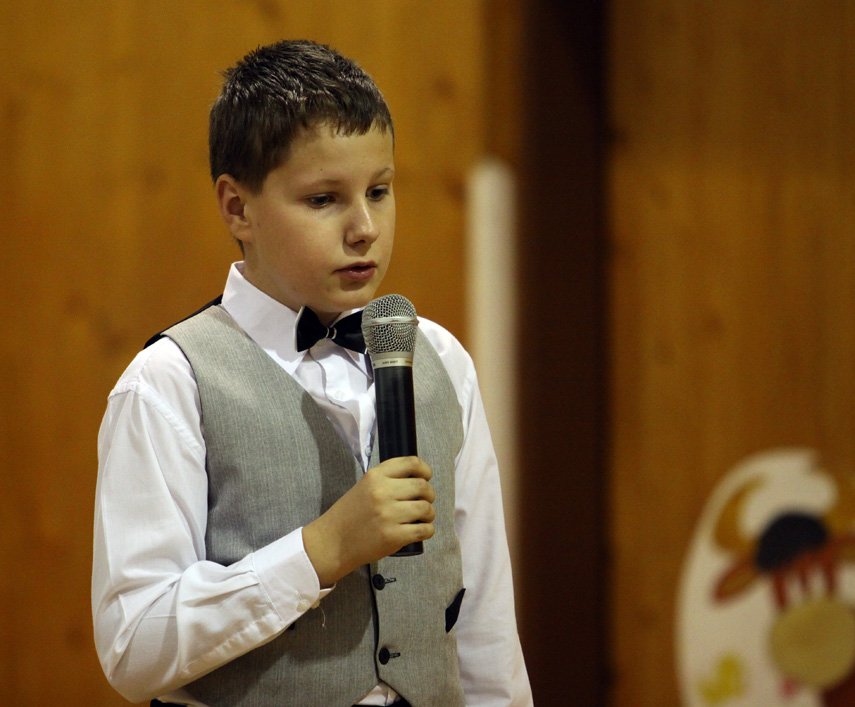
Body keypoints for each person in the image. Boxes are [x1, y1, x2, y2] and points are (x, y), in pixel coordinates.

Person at [92, 39, 532, 707]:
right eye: (324, 199)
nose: (365, 228)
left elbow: (485, 621)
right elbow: (133, 645)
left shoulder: (439, 358)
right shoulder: (168, 383)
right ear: (237, 208)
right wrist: (321, 549)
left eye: (379, 191)